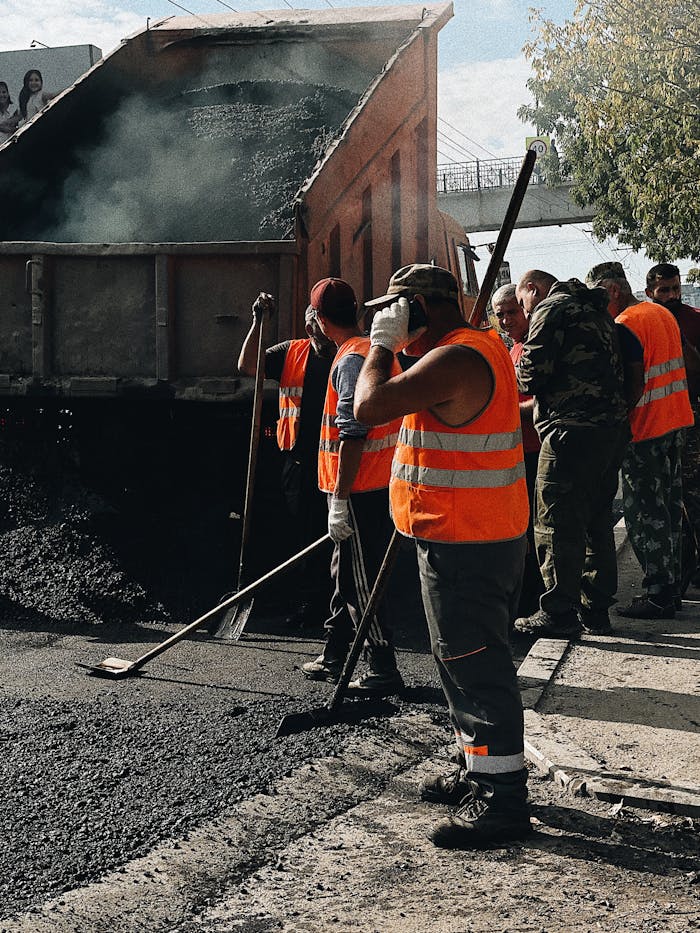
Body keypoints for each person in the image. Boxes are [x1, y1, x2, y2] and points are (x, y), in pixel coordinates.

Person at [355, 263, 531, 848]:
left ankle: (502, 803)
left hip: (470, 543)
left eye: (397, 309)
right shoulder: (463, 349)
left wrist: (381, 346)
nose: (387, 319)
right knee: (459, 660)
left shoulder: (458, 358)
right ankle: (475, 767)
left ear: (420, 311)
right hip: (462, 536)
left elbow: (370, 405)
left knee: (477, 665)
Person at [301, 277, 404, 695]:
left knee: (359, 583)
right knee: (346, 574)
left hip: (360, 489)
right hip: (376, 484)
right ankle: (335, 653)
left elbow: (352, 433)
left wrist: (340, 500)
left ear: (322, 321)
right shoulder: (370, 352)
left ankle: (383, 667)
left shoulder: (348, 362)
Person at [513, 270, 630, 638]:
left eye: (521, 302)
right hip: (609, 431)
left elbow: (531, 375)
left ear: (532, 289)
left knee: (556, 523)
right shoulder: (598, 312)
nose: (524, 310)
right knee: (597, 521)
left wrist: (515, 369)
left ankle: (559, 610)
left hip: (570, 432)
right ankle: (595, 609)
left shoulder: (552, 309)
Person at [586, 262, 693, 618]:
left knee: (645, 514)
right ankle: (672, 588)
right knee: (669, 511)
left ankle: (658, 594)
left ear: (613, 290)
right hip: (675, 422)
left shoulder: (626, 324)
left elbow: (630, 383)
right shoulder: (661, 314)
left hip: (645, 430)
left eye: (600, 296)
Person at [238, 295, 335, 627]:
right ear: (309, 326)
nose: (322, 333)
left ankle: (332, 604)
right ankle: (311, 604)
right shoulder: (291, 353)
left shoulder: (348, 353)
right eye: (316, 326)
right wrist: (257, 321)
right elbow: (248, 366)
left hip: (337, 460)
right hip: (299, 460)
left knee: (333, 535)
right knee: (305, 532)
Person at [646, 262, 700, 586]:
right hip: (657, 419)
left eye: (675, 288)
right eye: (664, 290)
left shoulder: (693, 320)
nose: (671, 295)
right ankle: (680, 568)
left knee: (692, 492)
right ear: (649, 291)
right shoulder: (643, 322)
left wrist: (681, 341)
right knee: (666, 496)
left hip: (691, 415)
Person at [493, 283, 544, 616]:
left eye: (512, 311)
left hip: (536, 452)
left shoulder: (537, 347)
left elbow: (543, 402)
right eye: (501, 315)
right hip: (515, 454)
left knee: (537, 531)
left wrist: (503, 412)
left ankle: (537, 600)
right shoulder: (512, 349)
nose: (507, 320)